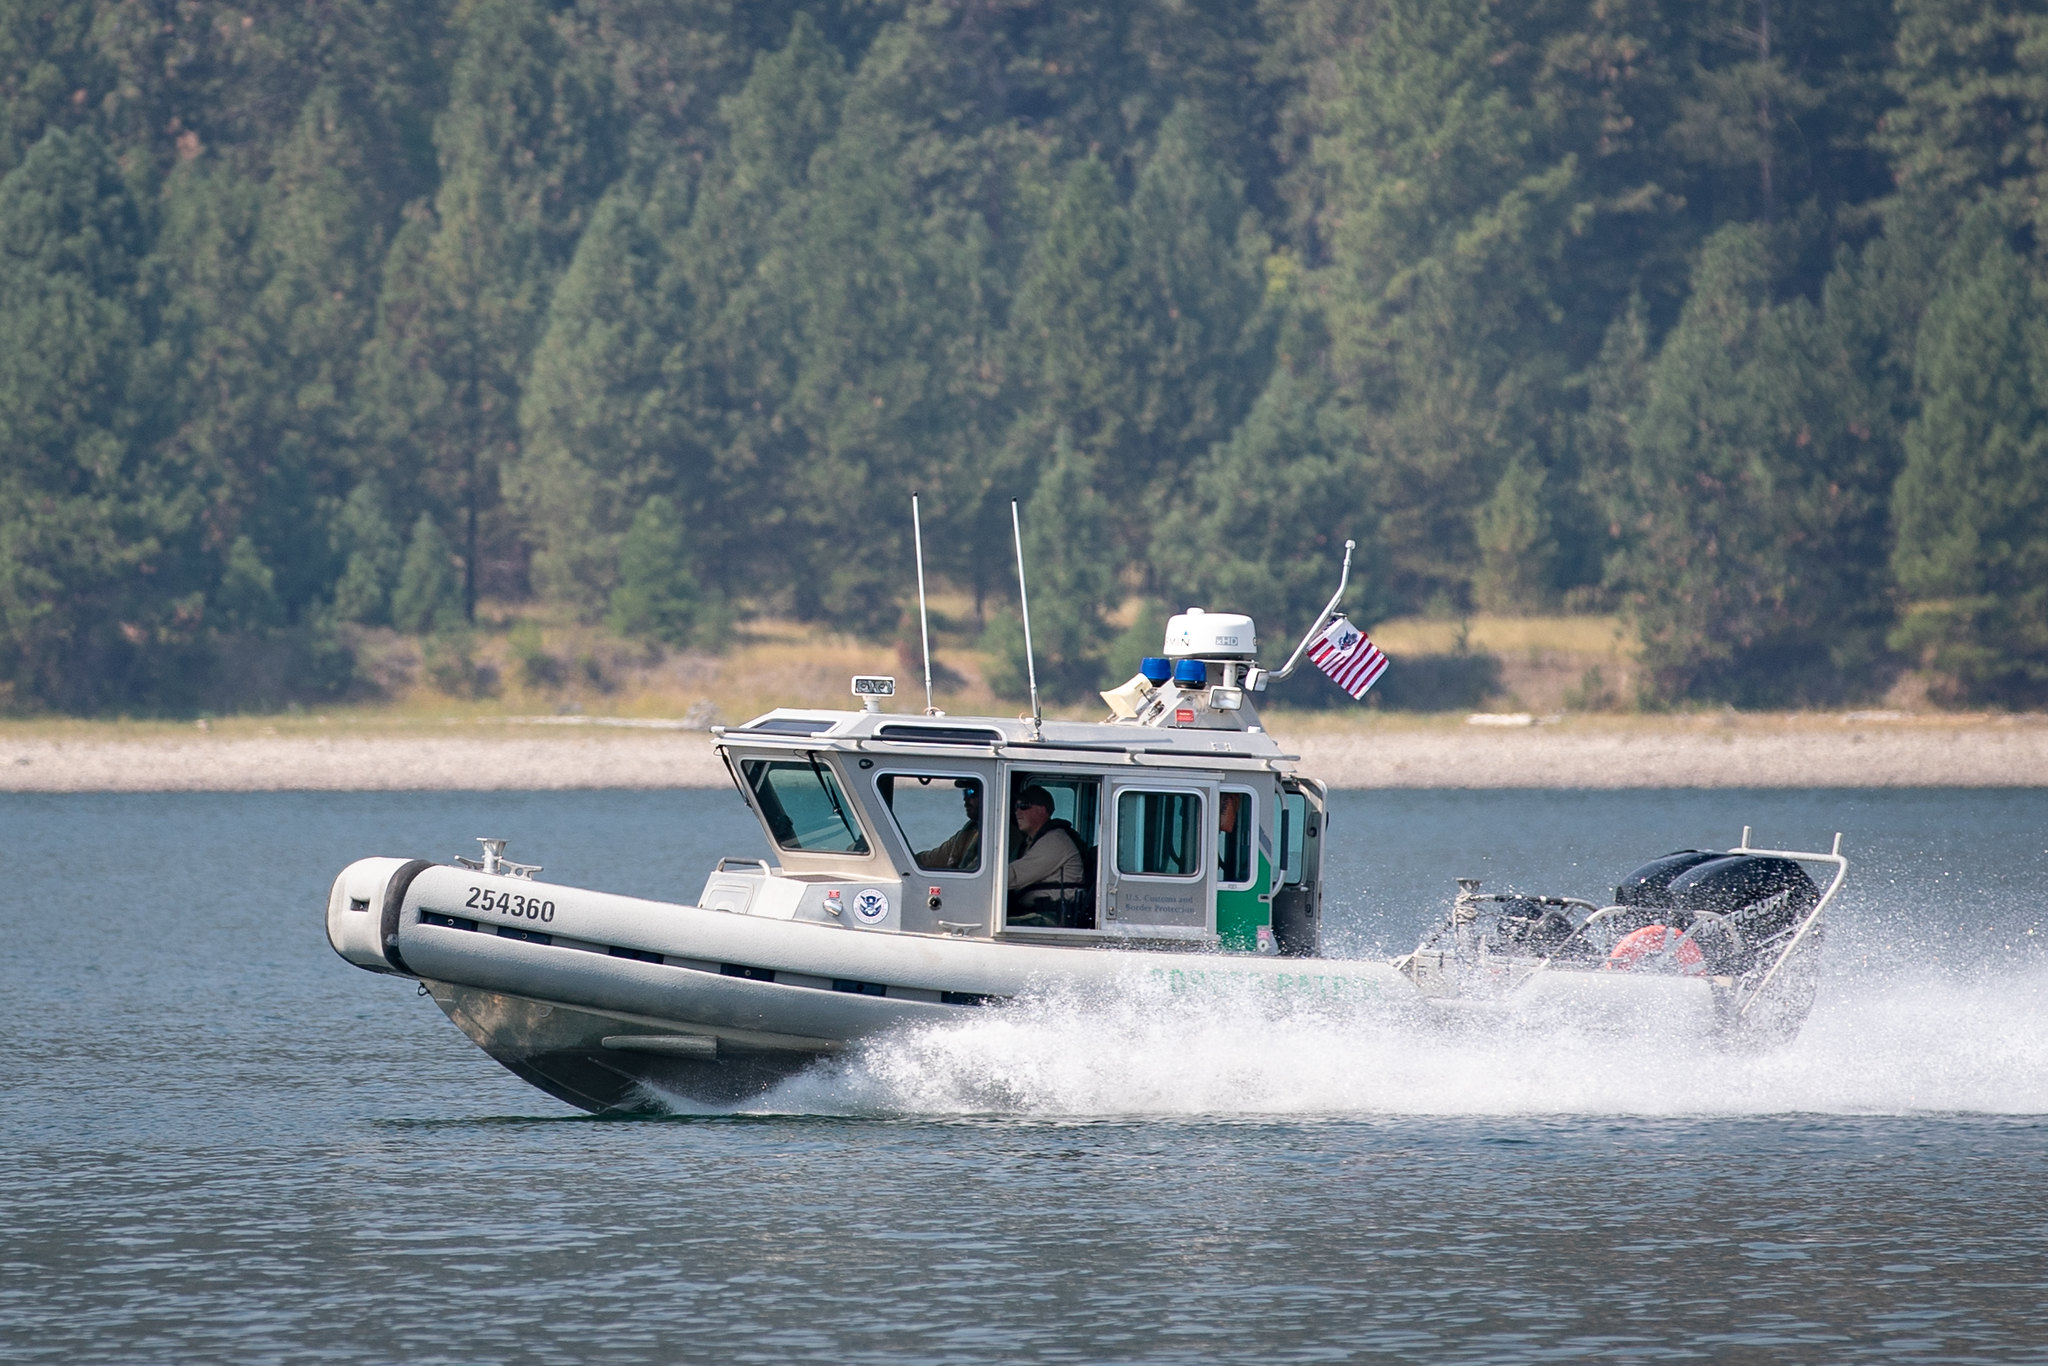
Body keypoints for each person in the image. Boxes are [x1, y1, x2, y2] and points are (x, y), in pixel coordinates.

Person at [1007, 784, 1087, 926]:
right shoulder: (1031, 842)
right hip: (1036, 913)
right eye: (1016, 807)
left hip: (1052, 918)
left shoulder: (1055, 841)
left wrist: (982, 878)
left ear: (1041, 810)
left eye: (1024, 806)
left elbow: (1014, 876)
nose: (1017, 812)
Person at [915, 781, 982, 871]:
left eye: (972, 792)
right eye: (965, 792)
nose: (965, 799)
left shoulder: (1001, 840)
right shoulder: (966, 834)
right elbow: (932, 859)